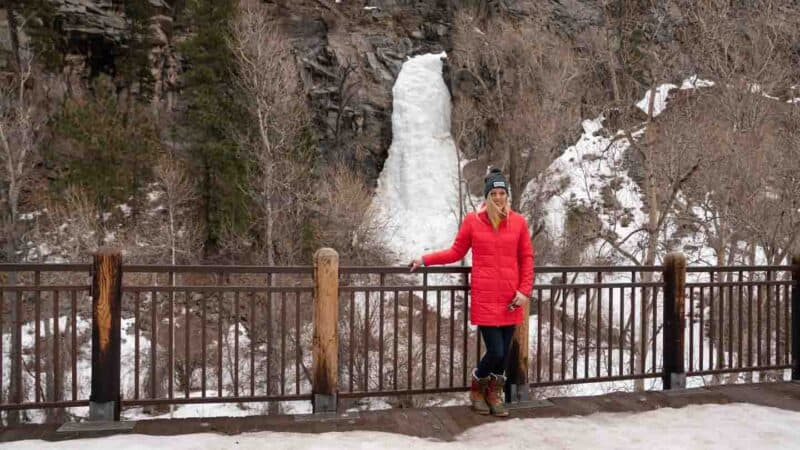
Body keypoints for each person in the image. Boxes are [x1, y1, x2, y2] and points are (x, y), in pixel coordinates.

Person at [409, 167, 534, 417]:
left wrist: (524, 290)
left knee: (505, 353)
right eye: (494, 193)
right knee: (496, 351)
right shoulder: (472, 222)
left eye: (502, 193)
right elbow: (455, 252)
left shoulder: (519, 222)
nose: (499, 198)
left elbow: (527, 258)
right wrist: (425, 259)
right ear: (487, 196)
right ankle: (478, 384)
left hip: (511, 299)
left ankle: (493, 393)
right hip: (486, 298)